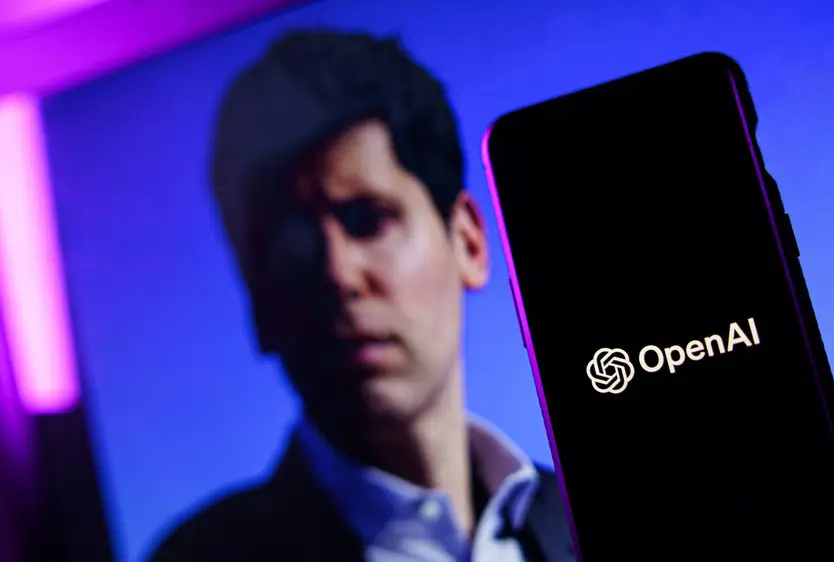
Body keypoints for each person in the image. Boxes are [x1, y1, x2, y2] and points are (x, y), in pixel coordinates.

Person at [146, 30, 575, 562]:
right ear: (256, 298)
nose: (338, 274)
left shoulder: (595, 516)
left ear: (467, 241)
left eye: (367, 220)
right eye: (292, 246)